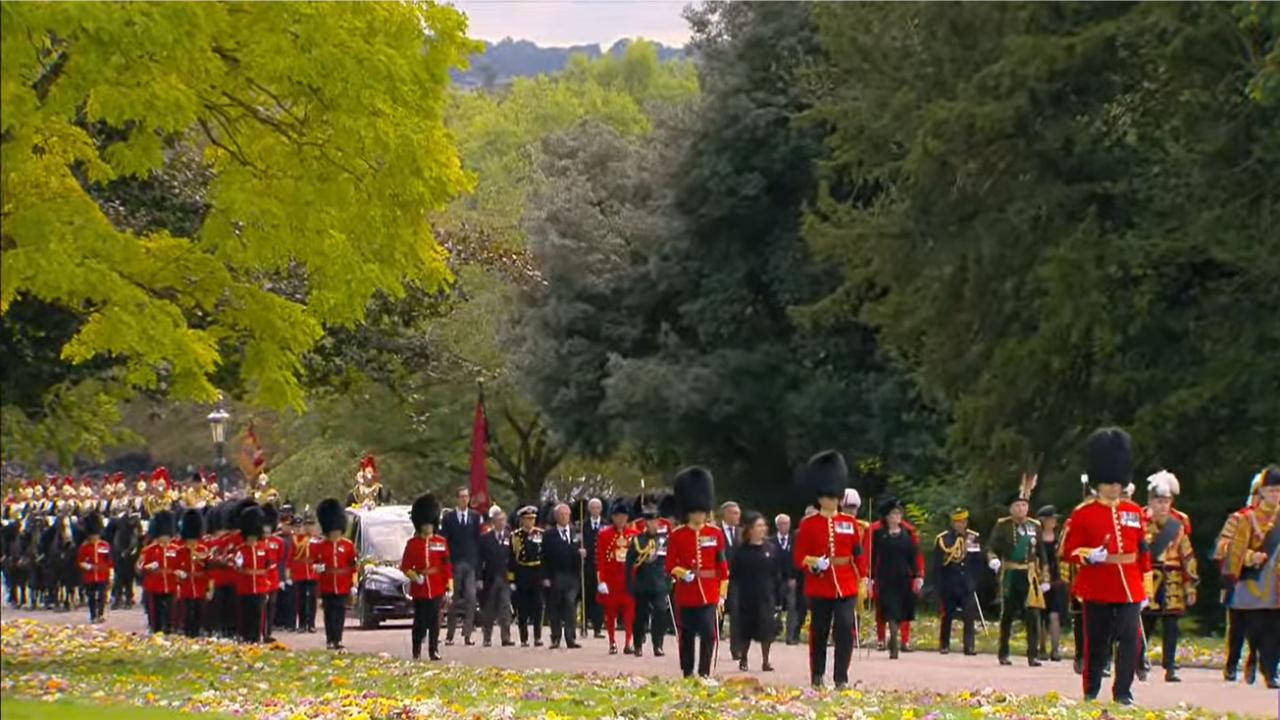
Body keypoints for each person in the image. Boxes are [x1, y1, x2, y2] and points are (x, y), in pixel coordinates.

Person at [1061, 427, 1152, 705]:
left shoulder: (1134, 511)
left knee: (1130, 639)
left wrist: (1145, 588)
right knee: (1096, 642)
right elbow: (1069, 550)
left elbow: (1143, 552)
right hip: (1098, 582)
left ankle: (1123, 691)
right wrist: (1090, 555)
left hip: (1130, 584)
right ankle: (1091, 688)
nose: (1115, 486)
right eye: (1109, 481)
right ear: (1097, 482)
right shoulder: (1083, 513)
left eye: (1118, 481)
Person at [792, 450, 867, 690]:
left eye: (835, 496)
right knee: (819, 631)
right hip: (820, 585)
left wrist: (863, 580)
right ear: (820, 497)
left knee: (845, 627)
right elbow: (798, 558)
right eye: (828, 496)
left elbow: (857, 554)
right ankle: (817, 675)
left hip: (846, 583)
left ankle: (841, 677)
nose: (833, 500)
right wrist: (815, 562)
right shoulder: (808, 524)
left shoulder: (850, 523)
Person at [1216, 465, 1279, 689]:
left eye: (1279, 491)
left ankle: (1270, 672)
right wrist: (1249, 556)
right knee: (1252, 629)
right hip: (1252, 582)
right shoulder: (1244, 518)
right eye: (1272, 490)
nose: (1275, 495)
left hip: (1277, 582)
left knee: (1274, 630)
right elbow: (1226, 548)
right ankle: (1238, 664)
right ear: (1262, 492)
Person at [665, 466, 727, 678]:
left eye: (703, 511)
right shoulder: (677, 535)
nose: (700, 514)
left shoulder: (715, 534)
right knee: (687, 634)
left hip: (709, 592)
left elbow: (722, 566)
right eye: (696, 511)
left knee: (709, 633)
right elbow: (670, 564)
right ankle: (688, 671)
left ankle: (704, 672)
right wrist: (682, 573)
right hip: (687, 592)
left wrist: (722, 594)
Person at [1141, 470, 1198, 682]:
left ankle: (1170, 665)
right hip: (1149, 576)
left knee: (1172, 624)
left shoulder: (1178, 524)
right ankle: (1140, 662)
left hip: (1173, 578)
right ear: (1150, 501)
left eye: (1166, 501)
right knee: (1145, 623)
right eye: (1158, 501)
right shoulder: (1140, 520)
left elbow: (1187, 555)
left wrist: (1190, 584)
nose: (1162, 506)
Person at [987, 473, 1047, 667]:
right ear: (1011, 508)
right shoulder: (1002, 526)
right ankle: (1003, 653)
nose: (1021, 509)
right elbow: (990, 548)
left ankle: (1033, 654)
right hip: (1011, 573)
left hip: (1029, 575)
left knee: (1033, 615)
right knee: (1008, 615)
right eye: (1017, 506)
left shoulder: (1035, 526)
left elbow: (1042, 553)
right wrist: (993, 560)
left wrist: (1044, 576)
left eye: (1024, 505)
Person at [1216, 473, 1263, 683]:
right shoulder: (1238, 518)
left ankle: (1254, 662)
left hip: (1267, 580)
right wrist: (1247, 557)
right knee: (1237, 625)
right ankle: (1232, 665)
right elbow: (1222, 548)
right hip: (1241, 577)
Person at [728, 510, 783, 672]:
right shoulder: (741, 550)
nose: (763, 529)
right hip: (746, 595)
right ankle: (743, 658)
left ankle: (766, 661)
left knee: (766, 629)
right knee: (746, 628)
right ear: (750, 529)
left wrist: (778, 597)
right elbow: (735, 575)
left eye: (764, 526)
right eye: (759, 526)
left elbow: (776, 573)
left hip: (766, 595)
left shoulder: (771, 549)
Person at [401, 494, 452, 661]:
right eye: (426, 524)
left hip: (436, 586)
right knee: (420, 621)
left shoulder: (441, 542)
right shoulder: (412, 544)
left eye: (431, 524)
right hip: (420, 588)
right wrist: (415, 577)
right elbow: (405, 566)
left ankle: (433, 650)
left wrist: (449, 586)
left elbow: (446, 565)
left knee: (435, 621)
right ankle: (416, 650)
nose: (428, 528)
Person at [871, 497, 920, 660]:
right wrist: (869, 576)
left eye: (899, 514)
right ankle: (893, 638)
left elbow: (913, 556)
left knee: (900, 611)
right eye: (893, 514)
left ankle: (895, 634)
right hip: (885, 577)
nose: (896, 517)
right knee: (890, 610)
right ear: (887, 517)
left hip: (903, 578)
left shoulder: (907, 535)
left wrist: (917, 575)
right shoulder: (879, 534)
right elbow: (872, 556)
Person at [933, 507, 981, 655]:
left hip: (966, 581)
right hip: (950, 581)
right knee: (947, 614)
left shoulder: (973, 537)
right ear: (953, 523)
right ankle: (944, 644)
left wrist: (975, 581)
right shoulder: (944, 539)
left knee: (969, 615)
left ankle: (969, 646)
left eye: (963, 521)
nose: (960, 524)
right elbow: (938, 564)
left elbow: (977, 562)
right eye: (957, 522)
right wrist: (939, 585)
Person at [625, 508, 671, 658]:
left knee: (660, 613)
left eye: (656, 522)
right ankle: (638, 644)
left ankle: (658, 644)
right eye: (651, 522)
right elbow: (629, 563)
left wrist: (669, 582)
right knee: (639, 617)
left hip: (659, 584)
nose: (654, 525)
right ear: (646, 523)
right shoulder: (638, 540)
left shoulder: (663, 540)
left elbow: (669, 562)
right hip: (642, 583)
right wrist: (629, 584)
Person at [440, 486, 482, 647]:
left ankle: (467, 634)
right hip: (455, 564)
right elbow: (444, 542)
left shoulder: (475, 517)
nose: (464, 499)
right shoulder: (449, 518)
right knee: (454, 600)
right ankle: (450, 634)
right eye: (461, 497)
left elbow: (479, 543)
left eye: (466, 496)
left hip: (471, 564)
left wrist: (479, 571)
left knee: (471, 598)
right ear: (457, 499)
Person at [596, 498, 637, 654]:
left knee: (630, 614)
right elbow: (600, 558)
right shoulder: (604, 535)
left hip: (629, 579)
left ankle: (629, 642)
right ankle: (612, 641)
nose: (621, 519)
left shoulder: (634, 534)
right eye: (618, 516)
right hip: (611, 580)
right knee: (611, 613)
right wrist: (601, 580)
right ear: (612, 517)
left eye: (624, 516)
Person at [315, 498, 356, 651]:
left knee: (340, 613)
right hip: (327, 583)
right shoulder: (320, 546)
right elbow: (316, 566)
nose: (335, 534)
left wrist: (353, 584)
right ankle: (330, 639)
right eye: (332, 532)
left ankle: (338, 638)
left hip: (343, 583)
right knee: (329, 614)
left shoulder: (347, 546)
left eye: (337, 531)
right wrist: (318, 577)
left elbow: (353, 565)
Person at [543, 502, 584, 649]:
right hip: (556, 575)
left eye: (566, 514)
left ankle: (570, 637)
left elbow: (581, 552)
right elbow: (544, 557)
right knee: (555, 608)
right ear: (556, 517)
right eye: (561, 514)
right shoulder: (548, 535)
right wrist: (546, 577)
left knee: (569, 604)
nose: (564, 517)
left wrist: (582, 555)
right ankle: (555, 637)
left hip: (572, 576)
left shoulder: (576, 533)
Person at [234, 505, 276, 643]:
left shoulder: (264, 548)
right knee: (246, 613)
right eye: (249, 537)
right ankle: (247, 637)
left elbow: (268, 566)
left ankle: (257, 637)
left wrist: (268, 583)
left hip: (260, 585)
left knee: (259, 613)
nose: (251, 540)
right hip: (245, 586)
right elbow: (237, 567)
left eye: (253, 537)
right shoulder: (241, 549)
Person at [478, 507, 515, 647]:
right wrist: (479, 578)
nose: (501, 523)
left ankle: (506, 637)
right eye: (498, 521)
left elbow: (513, 560)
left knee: (505, 608)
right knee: (489, 609)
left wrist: (512, 579)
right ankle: (487, 637)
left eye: (503, 520)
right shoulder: (485, 538)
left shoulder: (510, 537)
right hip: (490, 578)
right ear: (493, 522)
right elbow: (479, 559)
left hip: (505, 578)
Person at [510, 505, 545, 647]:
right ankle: (523, 637)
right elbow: (511, 558)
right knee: (522, 607)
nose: (530, 522)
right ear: (522, 520)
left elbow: (544, 555)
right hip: (522, 572)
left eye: (532, 519)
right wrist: (511, 578)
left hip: (537, 571)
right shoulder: (516, 536)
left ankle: (538, 636)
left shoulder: (540, 534)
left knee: (538, 605)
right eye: (527, 519)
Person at [138, 509, 177, 634]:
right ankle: (156, 627)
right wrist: (148, 567)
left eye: (167, 537)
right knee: (156, 608)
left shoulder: (176, 549)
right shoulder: (149, 550)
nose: (165, 540)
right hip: (154, 583)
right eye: (163, 537)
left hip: (170, 582)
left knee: (170, 608)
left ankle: (169, 627)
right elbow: (140, 565)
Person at [1037, 505, 1066, 662]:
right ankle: (1041, 648)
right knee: (1041, 616)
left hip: (1056, 581)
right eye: (1051, 518)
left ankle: (1055, 649)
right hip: (1040, 580)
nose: (1054, 521)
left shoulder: (1059, 537)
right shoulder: (1036, 538)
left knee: (1055, 615)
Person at [174, 508, 207, 638]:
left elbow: (207, 568)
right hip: (186, 585)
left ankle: (197, 630)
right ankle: (188, 631)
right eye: (190, 540)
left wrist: (200, 559)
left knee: (199, 610)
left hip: (199, 584)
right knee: (187, 611)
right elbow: (175, 567)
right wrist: (179, 576)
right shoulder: (180, 550)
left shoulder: (202, 549)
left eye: (194, 540)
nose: (192, 543)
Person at [773, 512, 803, 645]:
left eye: (787, 523)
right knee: (774, 607)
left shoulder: (794, 540)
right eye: (782, 523)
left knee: (792, 607)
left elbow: (797, 560)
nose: (785, 526)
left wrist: (794, 577)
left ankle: (790, 636)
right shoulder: (770, 541)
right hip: (774, 580)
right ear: (777, 525)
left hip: (790, 579)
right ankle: (773, 632)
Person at [76, 511, 111, 624]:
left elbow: (108, 560)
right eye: (92, 536)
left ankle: (100, 614)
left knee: (102, 596)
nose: (94, 538)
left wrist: (108, 570)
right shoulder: (84, 547)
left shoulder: (104, 545)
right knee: (91, 597)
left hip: (102, 575)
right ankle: (93, 615)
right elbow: (80, 561)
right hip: (90, 576)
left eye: (96, 535)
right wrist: (89, 567)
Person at [289, 511, 320, 634]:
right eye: (307, 524)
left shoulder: (316, 540)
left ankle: (311, 624)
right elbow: (291, 557)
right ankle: (302, 624)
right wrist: (290, 571)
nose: (308, 527)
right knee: (300, 599)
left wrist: (319, 573)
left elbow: (319, 558)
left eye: (311, 524)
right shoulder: (295, 540)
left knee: (312, 598)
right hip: (299, 570)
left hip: (312, 571)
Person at [581, 497, 605, 638]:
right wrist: (581, 551)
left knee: (600, 597)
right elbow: (578, 542)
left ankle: (597, 627)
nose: (595, 510)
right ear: (589, 509)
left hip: (601, 566)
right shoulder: (583, 526)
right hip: (588, 566)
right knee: (587, 596)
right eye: (593, 508)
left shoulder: (606, 525)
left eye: (597, 507)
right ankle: (584, 625)